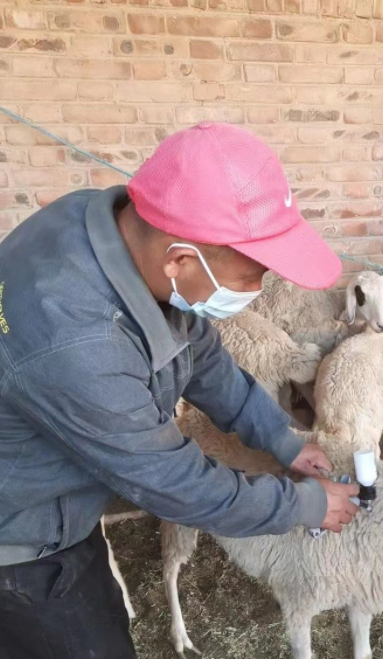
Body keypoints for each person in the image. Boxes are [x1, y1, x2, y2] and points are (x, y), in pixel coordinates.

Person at [0, 122, 360, 659]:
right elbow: (173, 482)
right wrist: (304, 505)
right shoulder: (79, 343)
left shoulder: (109, 229)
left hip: (55, 504)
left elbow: (201, 356)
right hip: (23, 551)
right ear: (180, 260)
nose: (257, 289)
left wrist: (281, 440)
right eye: (251, 275)